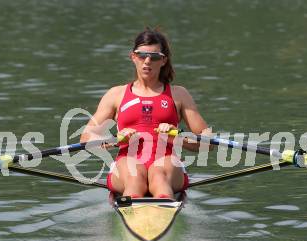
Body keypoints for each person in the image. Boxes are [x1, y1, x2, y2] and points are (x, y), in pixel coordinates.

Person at [80, 28, 210, 199]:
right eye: (142, 55)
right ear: (133, 57)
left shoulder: (179, 94)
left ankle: (162, 203)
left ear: (163, 60)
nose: (147, 61)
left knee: (159, 176)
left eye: (154, 57)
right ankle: (136, 208)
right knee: (134, 179)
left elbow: (207, 139)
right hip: (127, 161)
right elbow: (86, 138)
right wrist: (115, 140)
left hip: (166, 161)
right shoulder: (116, 94)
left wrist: (177, 136)